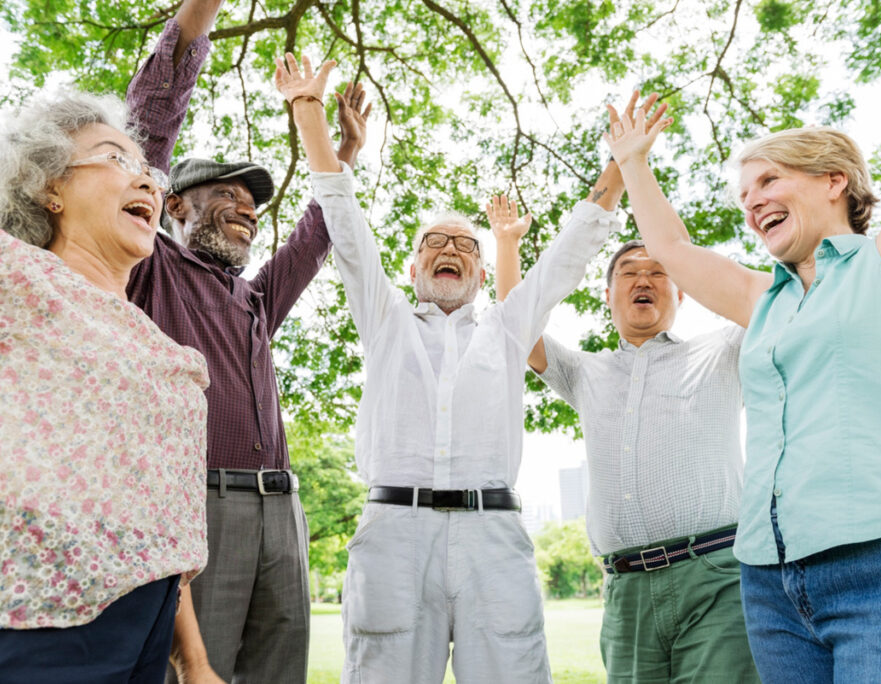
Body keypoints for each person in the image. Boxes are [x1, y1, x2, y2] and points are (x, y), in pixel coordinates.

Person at [275, 51, 629, 683]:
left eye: (465, 244)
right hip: (393, 538)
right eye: (434, 242)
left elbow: (570, 252)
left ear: (481, 273)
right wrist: (308, 111)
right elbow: (344, 221)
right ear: (413, 269)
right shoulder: (384, 317)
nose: (450, 249)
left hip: (493, 540)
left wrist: (622, 163)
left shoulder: (507, 328)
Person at [606, 75, 881, 683]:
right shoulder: (762, 298)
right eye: (745, 196)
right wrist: (633, 162)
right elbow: (672, 247)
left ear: (834, 181)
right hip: (771, 584)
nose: (752, 203)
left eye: (768, 181)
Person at [123, 6, 370, 682]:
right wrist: (196, 20)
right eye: (227, 194)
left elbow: (316, 233)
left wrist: (344, 151)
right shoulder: (150, 265)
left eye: (254, 204)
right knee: (196, 671)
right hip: (200, 506)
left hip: (282, 511)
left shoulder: (256, 299)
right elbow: (147, 136)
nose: (247, 209)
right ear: (174, 205)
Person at [0, 90, 209, 681]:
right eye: (116, 158)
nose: (149, 183)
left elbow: (158, 528)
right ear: (48, 186)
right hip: (17, 620)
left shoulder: (159, 345)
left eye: (151, 173)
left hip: (142, 632)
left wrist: (195, 661)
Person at [492, 146, 757, 679]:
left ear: (682, 291)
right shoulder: (583, 371)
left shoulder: (724, 350)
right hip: (626, 589)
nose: (644, 280)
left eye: (659, 272)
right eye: (630, 272)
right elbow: (516, 324)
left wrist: (637, 170)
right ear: (609, 293)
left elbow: (748, 292)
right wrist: (506, 245)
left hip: (716, 577)